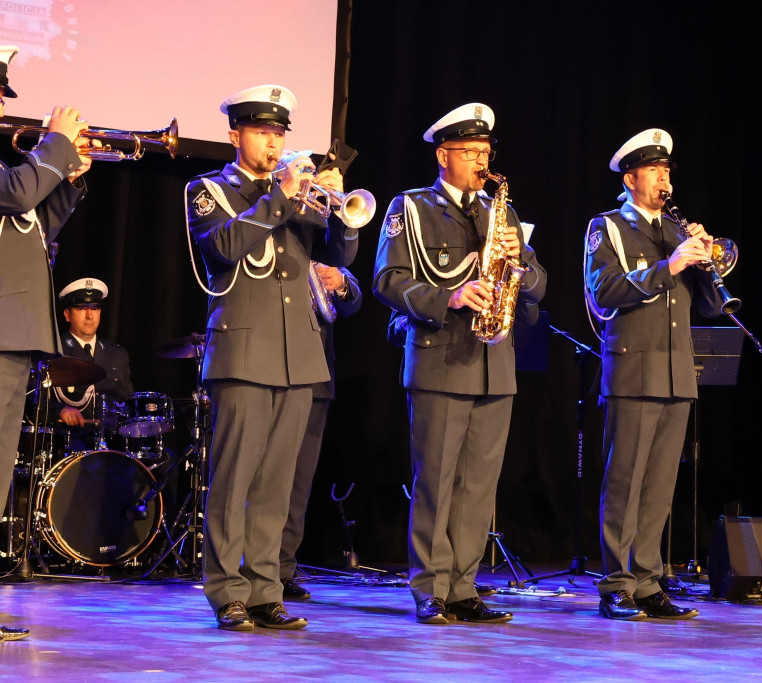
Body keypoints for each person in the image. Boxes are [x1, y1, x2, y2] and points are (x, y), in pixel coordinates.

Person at [185, 84, 353, 631]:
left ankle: (263, 589)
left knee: (278, 485)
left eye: (280, 133)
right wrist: (281, 195)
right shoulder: (208, 189)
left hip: (298, 354)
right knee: (234, 481)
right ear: (236, 135)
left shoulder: (298, 196)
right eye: (262, 131)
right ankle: (226, 592)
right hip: (243, 350)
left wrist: (340, 212)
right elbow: (226, 247)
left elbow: (334, 258)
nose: (274, 142)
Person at [373, 103, 546, 625]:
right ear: (443, 154)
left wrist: (522, 266)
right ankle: (430, 586)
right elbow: (387, 281)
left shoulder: (502, 213)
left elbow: (539, 284)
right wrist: (447, 296)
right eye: (470, 152)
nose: (479, 160)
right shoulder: (411, 206)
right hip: (440, 360)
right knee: (437, 479)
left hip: (496, 362)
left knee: (478, 486)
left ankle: (464, 587)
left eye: (485, 152)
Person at [583, 128, 719, 620]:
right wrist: (669, 265)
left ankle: (647, 581)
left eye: (667, 170)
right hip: (634, 369)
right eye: (655, 170)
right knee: (625, 481)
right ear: (631, 177)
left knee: (660, 484)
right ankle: (616, 584)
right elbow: (605, 292)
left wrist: (706, 259)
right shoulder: (609, 227)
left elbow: (706, 301)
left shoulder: (676, 230)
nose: (664, 178)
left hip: (676, 371)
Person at [0, 44, 93, 642]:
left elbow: (32, 225)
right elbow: (15, 196)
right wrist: (54, 146)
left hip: (13, 335)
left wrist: (69, 179)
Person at [280, 264, 362, 600]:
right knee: (269, 479)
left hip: (316, 378)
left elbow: (353, 299)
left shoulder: (325, 244)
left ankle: (282, 569)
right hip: (273, 368)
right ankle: (250, 569)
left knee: (298, 484)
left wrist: (341, 282)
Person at [42, 278, 133, 451]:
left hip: (111, 443)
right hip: (67, 442)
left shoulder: (116, 354)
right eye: (82, 308)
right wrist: (60, 411)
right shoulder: (53, 352)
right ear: (67, 315)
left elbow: (126, 401)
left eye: (95, 309)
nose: (90, 316)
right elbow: (34, 401)